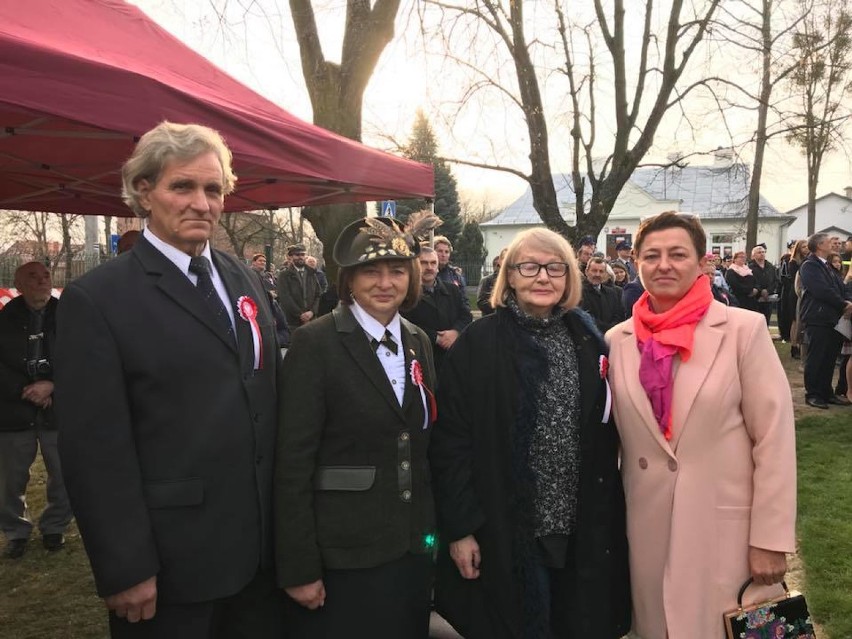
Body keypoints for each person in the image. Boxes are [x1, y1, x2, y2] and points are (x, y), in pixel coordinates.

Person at [54, 122, 285, 638]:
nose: (201, 203)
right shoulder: (99, 299)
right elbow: (95, 451)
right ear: (144, 191)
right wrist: (125, 566)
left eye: (213, 189)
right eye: (182, 186)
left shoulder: (242, 277)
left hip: (260, 558)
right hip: (170, 565)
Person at [430, 227, 631, 639]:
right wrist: (461, 528)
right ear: (511, 277)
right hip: (506, 528)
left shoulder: (586, 338)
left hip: (579, 526)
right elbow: (451, 442)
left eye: (555, 268)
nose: (543, 278)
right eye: (530, 267)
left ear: (569, 277)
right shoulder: (480, 343)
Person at [606, 211, 796, 639]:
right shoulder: (617, 341)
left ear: (701, 261)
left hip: (726, 531)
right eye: (651, 255)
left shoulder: (742, 330)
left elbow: (774, 437)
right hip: (647, 529)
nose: (664, 265)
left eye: (677, 254)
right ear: (636, 261)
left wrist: (770, 537)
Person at [274, 216, 438, 638]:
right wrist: (298, 566)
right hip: (343, 556)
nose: (385, 282)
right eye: (371, 271)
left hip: (410, 551)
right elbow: (292, 463)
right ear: (348, 279)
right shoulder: (315, 343)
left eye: (397, 271)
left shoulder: (417, 339)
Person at [0, 262, 72, 559]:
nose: (42, 281)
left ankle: (55, 526)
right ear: (19, 284)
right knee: (10, 479)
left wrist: (52, 385)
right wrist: (26, 390)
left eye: (46, 276)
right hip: (14, 411)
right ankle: (16, 532)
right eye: (33, 277)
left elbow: (81, 354)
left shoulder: (67, 313)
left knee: (65, 474)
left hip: (58, 410)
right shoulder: (5, 318)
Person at [799, 232, 852, 409]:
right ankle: (813, 393)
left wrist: (847, 300)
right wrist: (843, 304)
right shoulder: (810, 266)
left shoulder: (828, 266)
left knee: (829, 358)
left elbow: (840, 287)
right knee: (817, 357)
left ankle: (826, 391)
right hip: (818, 317)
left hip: (833, 319)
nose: (834, 244)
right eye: (830, 242)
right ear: (820, 246)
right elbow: (821, 290)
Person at [402, 246, 473, 373]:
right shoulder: (406, 294)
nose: (429, 267)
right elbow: (405, 323)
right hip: (421, 358)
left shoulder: (452, 290)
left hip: (452, 358)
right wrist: (436, 337)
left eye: (433, 263)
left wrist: (455, 332)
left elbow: (466, 315)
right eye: (424, 263)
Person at [277, 244, 321, 332]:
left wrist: (312, 312)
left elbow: (318, 294)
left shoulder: (312, 273)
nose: (300, 257)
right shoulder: (284, 275)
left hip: (311, 319)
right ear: (291, 257)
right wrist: (300, 314)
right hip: (293, 321)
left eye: (302, 255)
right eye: (297, 255)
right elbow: (285, 297)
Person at [581, 256, 625, 333]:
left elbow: (618, 315)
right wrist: (608, 329)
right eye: (594, 271)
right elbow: (585, 318)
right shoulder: (579, 292)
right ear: (586, 271)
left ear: (605, 273)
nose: (597, 274)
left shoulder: (612, 293)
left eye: (601, 271)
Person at [748, 244, 778, 326]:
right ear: (753, 255)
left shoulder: (770, 267)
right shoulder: (749, 268)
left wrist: (768, 290)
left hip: (768, 298)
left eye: (763, 252)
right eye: (759, 252)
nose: (762, 254)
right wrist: (760, 291)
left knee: (766, 320)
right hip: (755, 299)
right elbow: (750, 282)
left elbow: (775, 281)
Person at [477, 249, 506, 315]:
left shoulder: (512, 280)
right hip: (492, 319)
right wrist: (498, 305)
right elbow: (481, 303)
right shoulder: (486, 280)